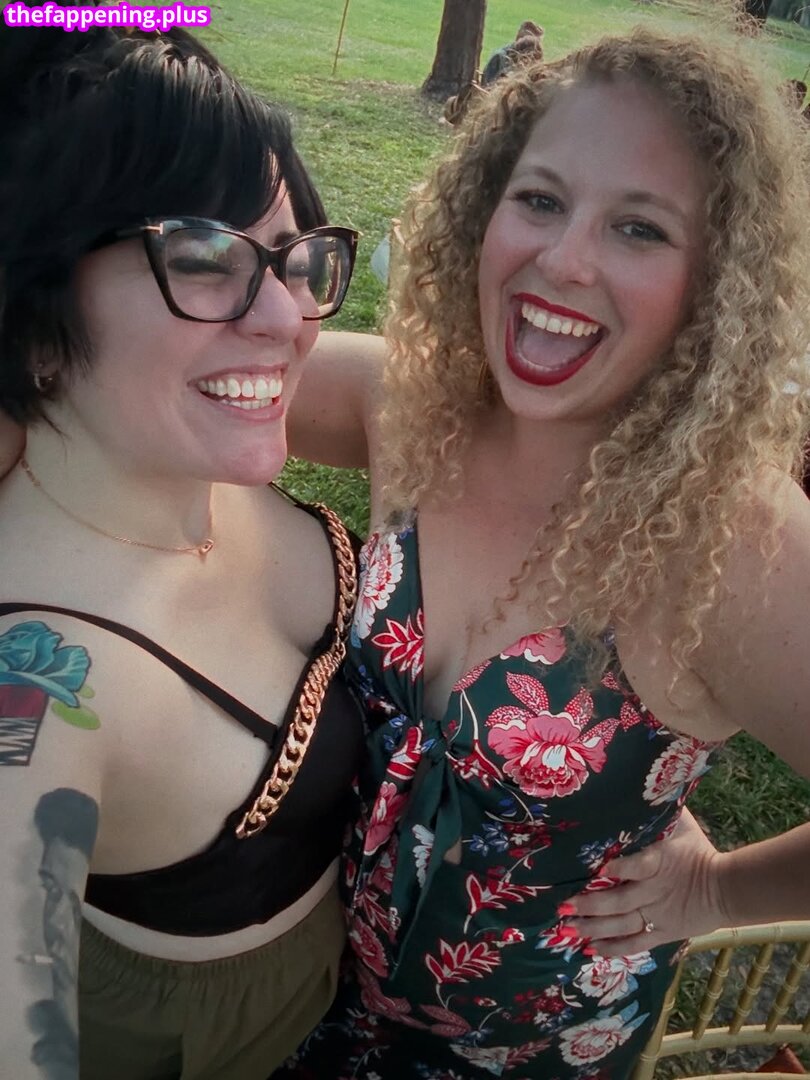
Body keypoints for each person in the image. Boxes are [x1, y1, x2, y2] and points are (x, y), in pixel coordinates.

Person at [276, 26, 810, 1080]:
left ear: (716, 284)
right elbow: (187, 384)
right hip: (314, 999)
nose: (563, 260)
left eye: (640, 228)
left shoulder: (737, 542)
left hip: (529, 1055)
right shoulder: (411, 406)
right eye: (540, 199)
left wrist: (717, 893)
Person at [0, 10, 364, 1080]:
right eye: (204, 257)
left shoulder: (180, 448)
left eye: (294, 258)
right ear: (34, 316)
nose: (288, 321)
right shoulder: (36, 684)